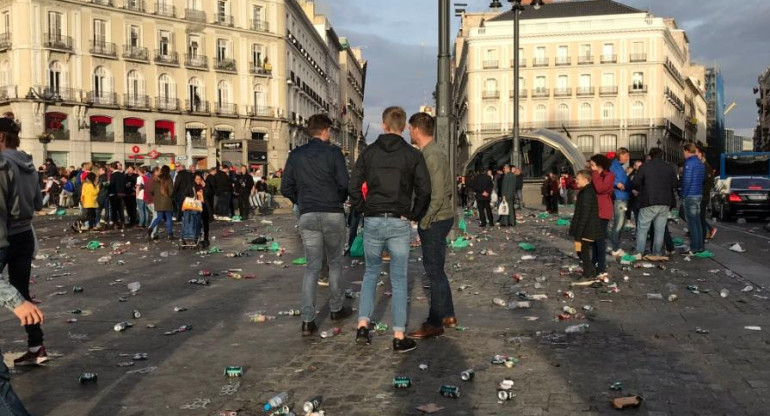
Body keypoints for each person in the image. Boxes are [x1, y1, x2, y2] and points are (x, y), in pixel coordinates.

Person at [349, 106, 431, 353]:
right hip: (399, 220)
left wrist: (363, 208)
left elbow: (353, 185)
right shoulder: (412, 155)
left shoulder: (368, 153)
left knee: (371, 273)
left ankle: (363, 325)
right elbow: (425, 189)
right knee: (398, 277)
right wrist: (414, 214)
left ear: (383, 125)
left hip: (373, 218)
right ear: (404, 127)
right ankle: (398, 335)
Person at [281, 114, 352, 337]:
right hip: (332, 213)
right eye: (329, 131)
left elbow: (286, 187)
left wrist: (300, 201)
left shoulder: (296, 155)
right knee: (335, 263)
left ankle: (307, 320)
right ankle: (335, 308)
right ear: (325, 131)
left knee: (311, 267)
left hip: (308, 213)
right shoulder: (333, 153)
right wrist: (336, 199)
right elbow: (344, 184)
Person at [0, 118, 48, 367]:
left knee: (8, 293)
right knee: (21, 291)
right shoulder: (28, 163)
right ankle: (36, 346)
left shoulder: (3, 164)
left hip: (4, 235)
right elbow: (39, 204)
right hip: (25, 235)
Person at [406, 112, 457, 339]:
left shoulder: (431, 155)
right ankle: (447, 314)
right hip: (440, 216)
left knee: (434, 271)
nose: (408, 132)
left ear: (417, 129)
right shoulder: (432, 152)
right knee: (436, 270)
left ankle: (435, 322)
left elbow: (436, 194)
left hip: (435, 219)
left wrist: (423, 222)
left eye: (410, 129)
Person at [632, 148, 678, 261]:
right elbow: (675, 184)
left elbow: (636, 182)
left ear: (650, 156)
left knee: (643, 228)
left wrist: (642, 188)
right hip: (665, 202)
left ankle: (639, 252)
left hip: (649, 200)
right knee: (660, 229)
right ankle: (657, 252)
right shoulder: (669, 168)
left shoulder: (645, 167)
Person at [570, 170, 603, 280]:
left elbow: (584, 215)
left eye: (578, 178)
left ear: (585, 179)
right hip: (586, 229)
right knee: (581, 252)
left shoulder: (587, 193)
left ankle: (588, 273)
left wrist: (578, 233)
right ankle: (591, 271)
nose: (576, 180)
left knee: (583, 252)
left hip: (588, 229)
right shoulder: (585, 191)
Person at [589, 154, 614, 276]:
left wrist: (595, 174)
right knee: (593, 239)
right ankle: (594, 261)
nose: (591, 167)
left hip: (603, 210)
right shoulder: (594, 175)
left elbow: (600, 188)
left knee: (600, 239)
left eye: (593, 165)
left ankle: (602, 265)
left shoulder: (608, 176)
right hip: (594, 210)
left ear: (599, 165)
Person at [681, 143, 705, 254]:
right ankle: (700, 245)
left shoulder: (689, 163)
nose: (683, 154)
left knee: (692, 223)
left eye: (683, 152)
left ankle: (694, 246)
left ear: (687, 151)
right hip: (698, 194)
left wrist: (683, 195)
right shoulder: (700, 163)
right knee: (697, 221)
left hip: (690, 195)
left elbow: (687, 180)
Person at [607, 149, 631, 256]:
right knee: (618, 224)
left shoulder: (618, 166)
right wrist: (617, 184)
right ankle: (615, 248)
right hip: (620, 197)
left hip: (623, 197)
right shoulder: (614, 165)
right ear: (620, 155)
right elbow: (609, 178)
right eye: (626, 155)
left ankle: (616, 245)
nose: (628, 158)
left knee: (620, 223)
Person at [147, 165, 174, 241]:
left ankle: (150, 228)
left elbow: (151, 190)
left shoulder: (155, 179)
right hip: (167, 200)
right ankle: (170, 234)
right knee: (168, 218)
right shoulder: (168, 179)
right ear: (168, 171)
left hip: (158, 201)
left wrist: (156, 195)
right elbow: (171, 191)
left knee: (159, 217)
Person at [696, 144, 717, 240]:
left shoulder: (705, 166)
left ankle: (704, 234)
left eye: (695, 153)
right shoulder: (701, 165)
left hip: (702, 196)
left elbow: (705, 181)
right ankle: (704, 232)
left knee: (700, 216)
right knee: (699, 216)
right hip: (700, 195)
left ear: (701, 154)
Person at [108, 162, 126, 229]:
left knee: (114, 209)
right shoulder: (122, 174)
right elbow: (124, 184)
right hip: (121, 193)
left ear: (112, 167)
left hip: (114, 194)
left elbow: (112, 184)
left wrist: (108, 186)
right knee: (121, 209)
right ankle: (123, 222)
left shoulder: (112, 175)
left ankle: (115, 223)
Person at [194, 173, 210, 248]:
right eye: (197, 179)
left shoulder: (204, 185)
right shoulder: (193, 186)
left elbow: (209, 194)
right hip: (195, 206)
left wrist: (204, 186)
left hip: (204, 206)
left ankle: (206, 238)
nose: (198, 181)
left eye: (199, 179)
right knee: (197, 223)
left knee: (205, 223)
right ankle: (197, 238)